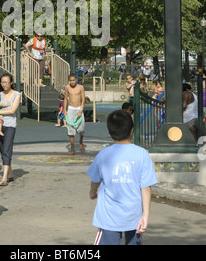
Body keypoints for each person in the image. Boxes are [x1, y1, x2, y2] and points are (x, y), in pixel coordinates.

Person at [87, 110, 158, 246]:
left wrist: (92, 192)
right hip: (134, 216)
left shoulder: (103, 154)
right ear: (132, 130)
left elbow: (95, 180)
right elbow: (146, 187)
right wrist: (145, 215)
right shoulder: (142, 154)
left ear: (110, 132)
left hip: (108, 217)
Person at [0, 74, 21, 186]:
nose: (4, 84)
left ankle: (4, 177)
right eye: (2, 82)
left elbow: (12, 110)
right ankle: (10, 173)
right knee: (2, 148)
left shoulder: (17, 95)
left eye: (6, 82)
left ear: (11, 83)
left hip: (10, 125)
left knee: (7, 148)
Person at [63, 73, 85, 155]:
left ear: (76, 79)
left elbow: (83, 99)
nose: (72, 82)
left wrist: (81, 110)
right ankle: (72, 148)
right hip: (71, 108)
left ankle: (80, 142)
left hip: (79, 108)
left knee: (81, 129)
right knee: (70, 129)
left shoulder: (81, 87)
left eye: (73, 80)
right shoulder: (67, 87)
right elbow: (65, 99)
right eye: (70, 80)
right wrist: (64, 110)